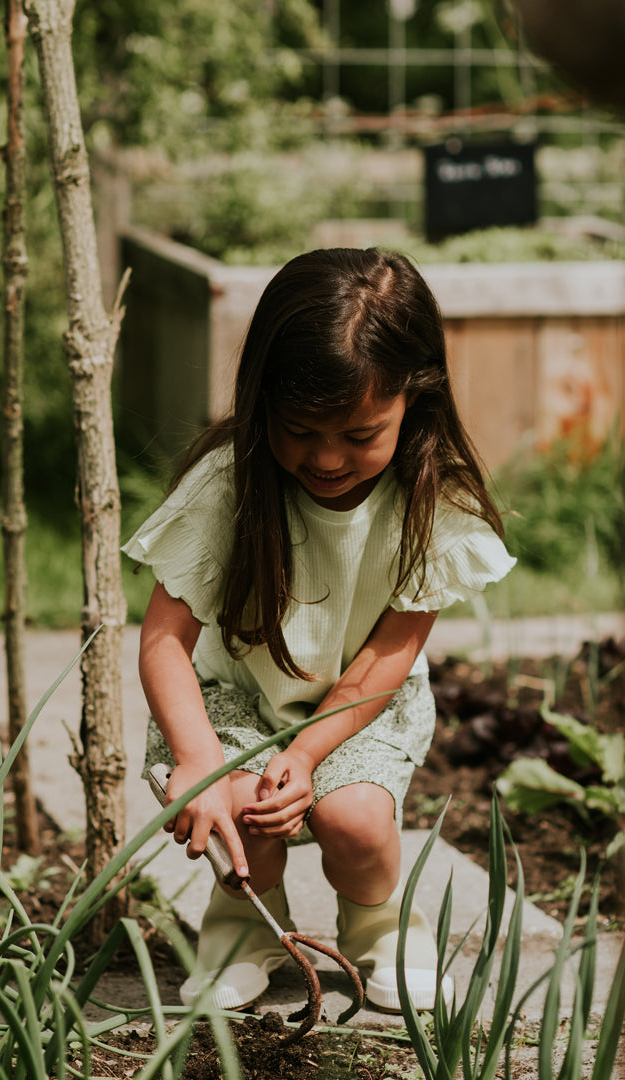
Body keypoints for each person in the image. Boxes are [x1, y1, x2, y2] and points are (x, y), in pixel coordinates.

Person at [123, 247, 515, 1013]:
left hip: (360, 702)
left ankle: (377, 925)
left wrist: (306, 754)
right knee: (243, 812)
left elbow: (390, 654)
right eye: (300, 429)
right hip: (235, 697)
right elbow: (164, 641)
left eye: (361, 434)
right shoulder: (230, 485)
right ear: (263, 399)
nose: (328, 458)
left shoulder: (431, 502)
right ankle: (246, 924)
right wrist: (199, 762)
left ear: (415, 400)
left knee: (356, 820)